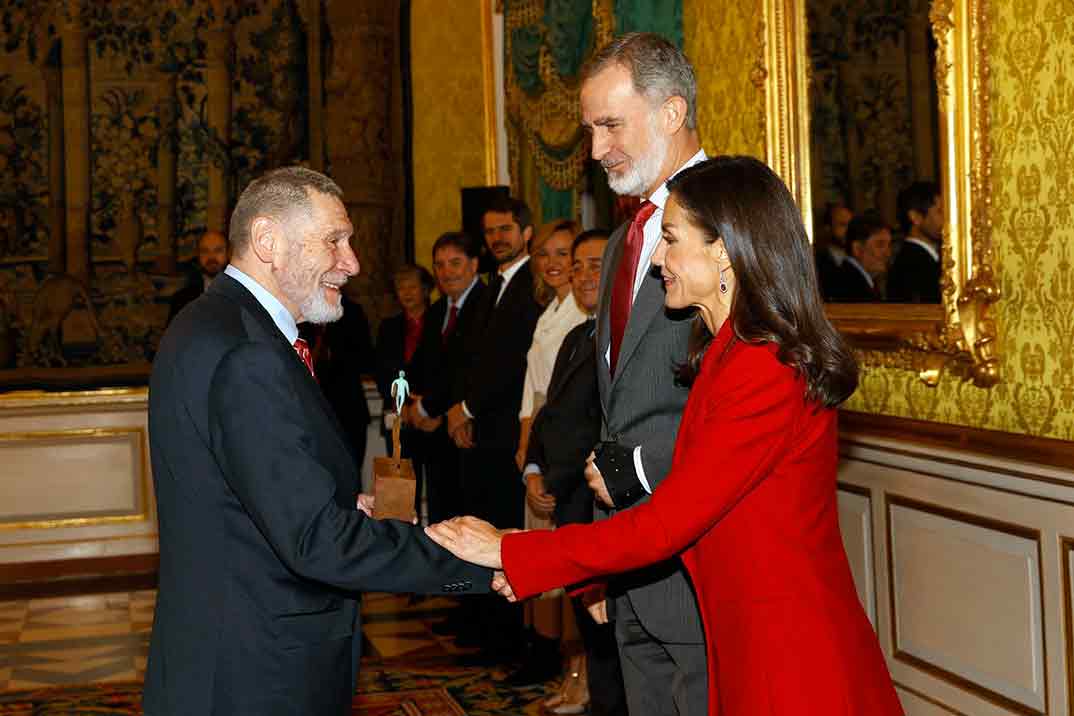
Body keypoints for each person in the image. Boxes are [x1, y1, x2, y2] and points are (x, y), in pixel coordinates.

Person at [426, 156, 904, 716]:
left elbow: (669, 521)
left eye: (671, 239)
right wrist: (585, 575)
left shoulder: (763, 366)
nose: (656, 258)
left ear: (723, 248)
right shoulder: (725, 354)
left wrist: (513, 549)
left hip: (786, 646)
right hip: (741, 628)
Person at [145, 166, 491, 716]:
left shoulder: (215, 324)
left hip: (226, 655)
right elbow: (314, 541)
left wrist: (335, 502)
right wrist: (483, 562)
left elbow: (239, 493)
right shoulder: (246, 352)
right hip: (258, 674)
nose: (352, 262)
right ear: (267, 241)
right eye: (335, 241)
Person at [576, 32, 708, 715]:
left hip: (704, 562)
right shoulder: (623, 241)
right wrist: (603, 555)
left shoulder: (737, 215)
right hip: (631, 562)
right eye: (590, 130)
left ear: (671, 112)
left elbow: (766, 386)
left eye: (610, 126)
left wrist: (643, 467)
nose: (597, 151)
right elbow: (617, 409)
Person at [523, 229, 627, 716]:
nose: (585, 275)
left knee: (611, 634)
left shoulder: (625, 340)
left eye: (595, 264)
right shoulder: (574, 336)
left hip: (599, 505)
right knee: (588, 623)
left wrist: (558, 478)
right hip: (567, 502)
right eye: (579, 266)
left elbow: (603, 429)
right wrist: (534, 467)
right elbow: (550, 416)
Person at [508, 218, 588, 687]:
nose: (554, 264)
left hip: (559, 451)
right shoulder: (550, 311)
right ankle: (559, 663)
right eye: (546, 255)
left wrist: (535, 450)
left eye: (565, 255)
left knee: (565, 567)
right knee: (542, 561)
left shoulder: (582, 316)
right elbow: (531, 391)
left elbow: (557, 401)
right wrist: (524, 446)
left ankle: (576, 668)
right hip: (536, 444)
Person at [376, 264, 436, 517]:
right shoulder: (388, 327)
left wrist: (425, 403)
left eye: (412, 286)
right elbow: (381, 372)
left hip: (433, 417)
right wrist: (404, 401)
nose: (407, 292)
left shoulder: (439, 320)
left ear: (425, 289)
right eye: (401, 288)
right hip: (398, 416)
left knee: (438, 492)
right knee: (400, 493)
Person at [888, 181, 942, 303]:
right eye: (940, 212)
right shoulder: (912, 264)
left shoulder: (929, 259)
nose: (947, 219)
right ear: (915, 217)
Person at [167, 229, 228, 322]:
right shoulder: (180, 300)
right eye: (205, 251)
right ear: (198, 255)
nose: (211, 257)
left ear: (229, 254)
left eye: (218, 250)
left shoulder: (244, 295)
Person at [831, 213, 893, 302]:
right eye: (880, 245)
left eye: (889, 245)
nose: (888, 253)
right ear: (857, 249)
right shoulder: (851, 287)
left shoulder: (852, 279)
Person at [814, 203, 853, 301]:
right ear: (828, 227)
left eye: (851, 224)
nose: (849, 230)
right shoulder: (818, 260)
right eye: (842, 224)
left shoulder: (856, 257)